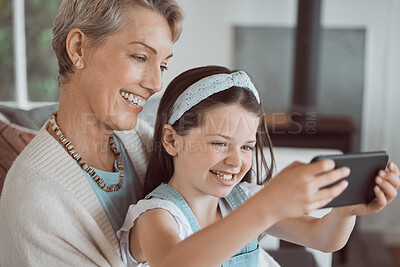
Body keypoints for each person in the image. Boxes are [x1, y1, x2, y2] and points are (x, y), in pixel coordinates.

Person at [117, 65, 400, 267]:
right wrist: (265, 208)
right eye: (219, 143)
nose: (236, 161)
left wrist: (346, 210)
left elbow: (323, 238)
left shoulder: (244, 200)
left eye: (247, 147)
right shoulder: (158, 217)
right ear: (171, 140)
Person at [0, 0, 184, 266]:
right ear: (79, 48)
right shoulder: (36, 199)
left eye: (163, 65)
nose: (156, 83)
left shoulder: (141, 142)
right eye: (140, 57)